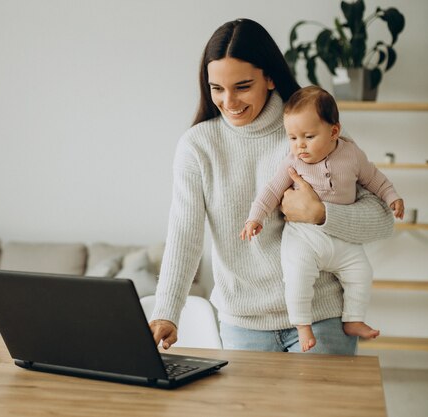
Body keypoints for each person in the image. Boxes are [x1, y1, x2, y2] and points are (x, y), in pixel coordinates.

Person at [149, 18, 394, 354]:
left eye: (243, 86)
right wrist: (166, 312)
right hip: (242, 324)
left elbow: (383, 219)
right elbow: (184, 236)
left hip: (321, 318)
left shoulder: (311, 132)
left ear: (270, 77)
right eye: (217, 88)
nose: (229, 101)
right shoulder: (197, 146)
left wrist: (321, 213)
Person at [240, 85, 404, 351]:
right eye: (292, 138)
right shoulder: (292, 161)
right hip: (303, 237)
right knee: (297, 276)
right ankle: (302, 325)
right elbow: (270, 191)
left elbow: (374, 179)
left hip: (342, 237)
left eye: (308, 136)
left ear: (334, 131)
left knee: (362, 272)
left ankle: (353, 319)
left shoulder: (352, 154)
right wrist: (255, 218)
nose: (299, 145)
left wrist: (392, 196)